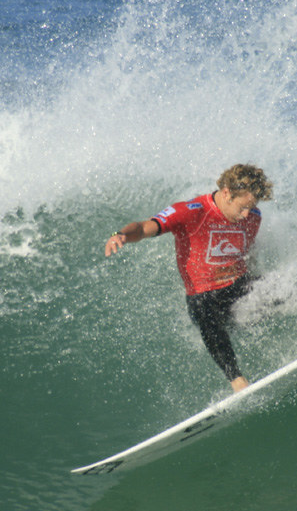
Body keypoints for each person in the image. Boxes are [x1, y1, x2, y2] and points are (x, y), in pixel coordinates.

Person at [105, 164, 274, 392]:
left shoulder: (253, 216)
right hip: (208, 300)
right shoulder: (192, 211)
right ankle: (237, 381)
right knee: (204, 307)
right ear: (226, 193)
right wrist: (121, 235)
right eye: (243, 207)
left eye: (251, 207)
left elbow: (248, 253)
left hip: (239, 289)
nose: (247, 214)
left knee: (288, 283)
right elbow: (145, 227)